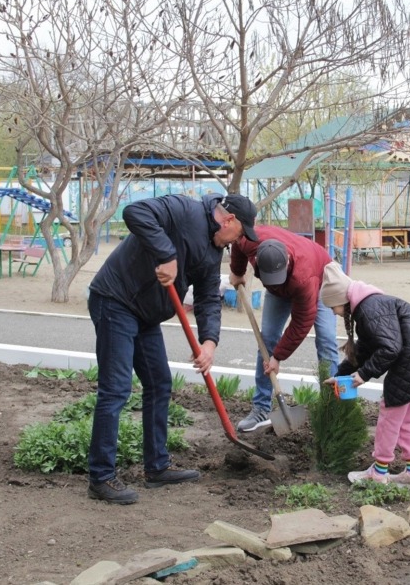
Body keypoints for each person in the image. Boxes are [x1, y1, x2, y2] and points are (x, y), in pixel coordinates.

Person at [86, 192, 258, 504]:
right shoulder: (184, 210)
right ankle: (100, 477)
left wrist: (209, 342)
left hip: (146, 313)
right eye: (241, 233)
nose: (239, 241)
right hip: (115, 300)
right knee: (116, 389)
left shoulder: (213, 250)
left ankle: (157, 467)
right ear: (229, 220)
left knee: (159, 384)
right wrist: (167, 255)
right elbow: (134, 212)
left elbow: (207, 297)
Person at [319, 263, 410, 493]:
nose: (333, 312)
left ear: (340, 299)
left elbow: (390, 348)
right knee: (404, 419)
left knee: (390, 412)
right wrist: (340, 375)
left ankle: (378, 472)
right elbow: (365, 348)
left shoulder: (370, 308)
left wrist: (363, 375)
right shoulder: (371, 305)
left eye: (332, 306)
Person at [228, 227, 339, 431]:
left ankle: (332, 409)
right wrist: (237, 271)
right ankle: (261, 408)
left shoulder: (304, 278)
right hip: (285, 285)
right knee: (267, 339)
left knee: (326, 340)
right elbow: (237, 242)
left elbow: (301, 322)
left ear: (286, 260)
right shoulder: (250, 241)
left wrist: (278, 357)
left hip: (321, 279)